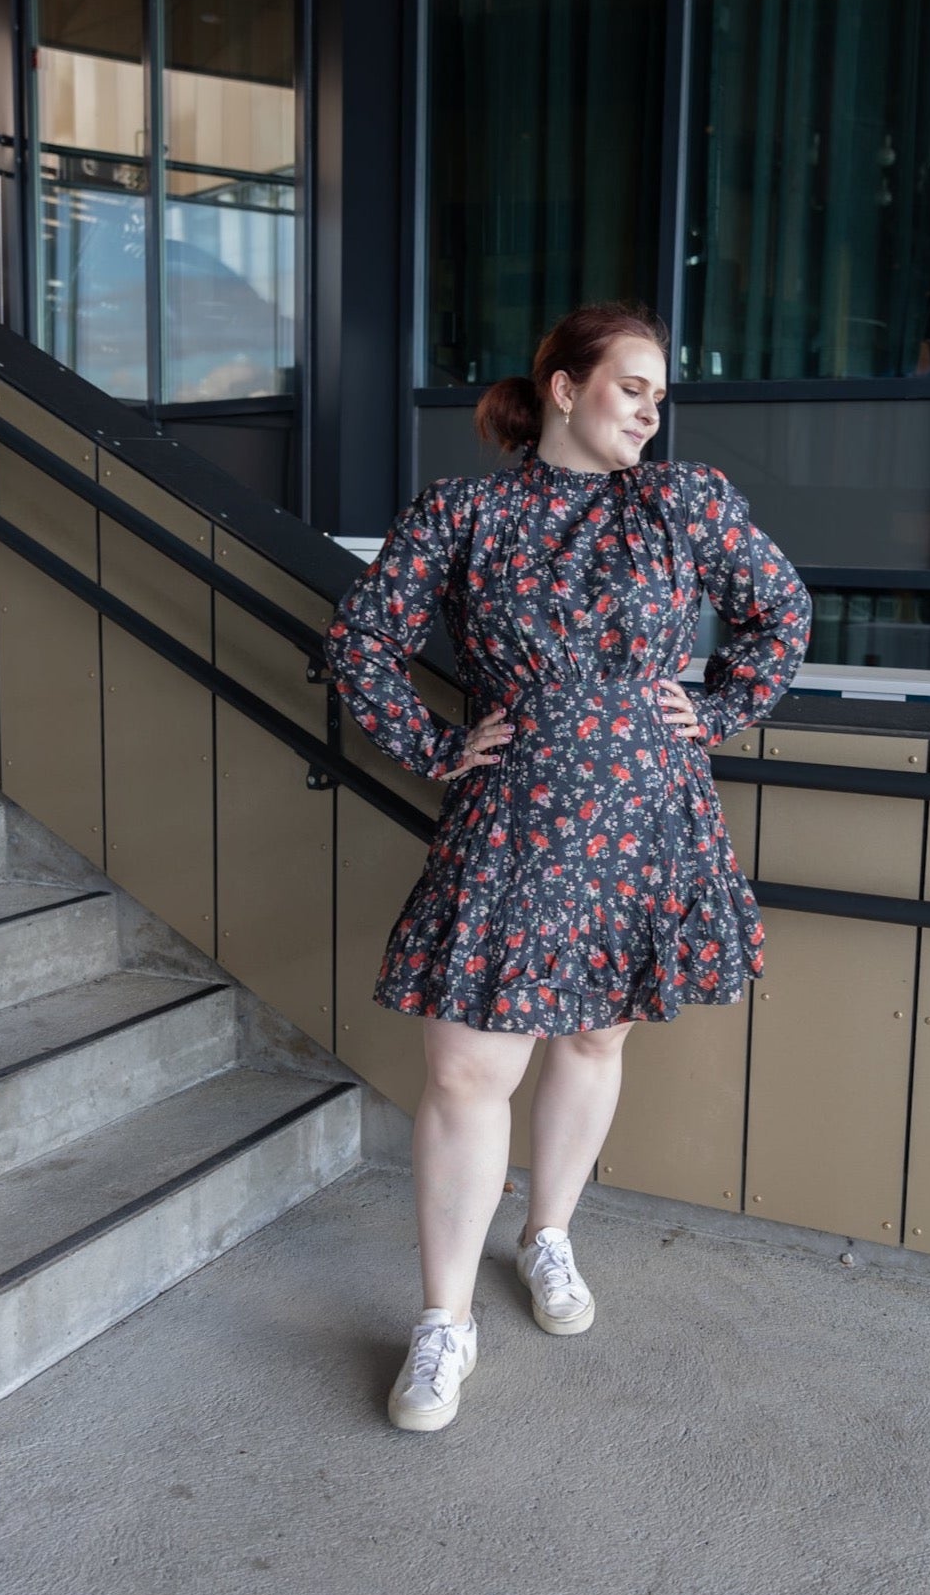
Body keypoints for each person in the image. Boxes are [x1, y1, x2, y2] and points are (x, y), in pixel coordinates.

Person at [326, 304, 811, 1432]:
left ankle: (546, 1235)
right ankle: (445, 1320)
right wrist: (436, 746)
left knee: (594, 1037)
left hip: (644, 810)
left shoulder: (682, 502)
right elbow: (362, 640)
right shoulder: (465, 512)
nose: (650, 411)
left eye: (658, 395)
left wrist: (715, 709)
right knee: (464, 1069)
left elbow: (779, 612)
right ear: (563, 386)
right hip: (513, 812)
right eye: (631, 386)